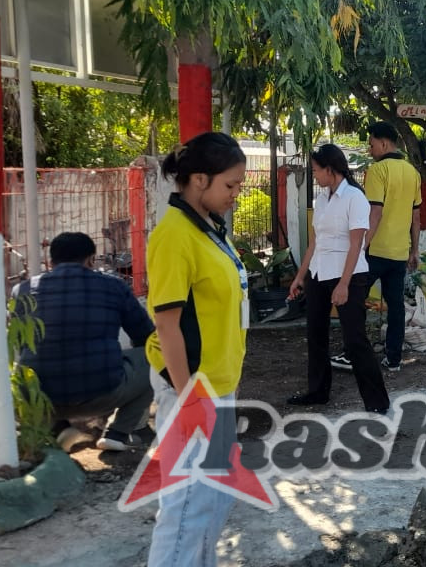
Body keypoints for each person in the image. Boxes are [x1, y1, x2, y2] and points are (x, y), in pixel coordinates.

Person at [144, 132, 249, 567]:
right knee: (187, 506)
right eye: (231, 185)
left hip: (219, 384)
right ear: (199, 180)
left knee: (213, 500)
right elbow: (167, 325)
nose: (237, 195)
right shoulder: (175, 235)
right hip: (193, 390)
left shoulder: (207, 229)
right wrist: (189, 400)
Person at [15, 232, 155, 452]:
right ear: (91, 259)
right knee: (155, 354)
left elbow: (21, 344)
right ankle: (118, 433)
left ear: (51, 262)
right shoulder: (114, 287)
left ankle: (58, 429)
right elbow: (145, 336)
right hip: (103, 394)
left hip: (40, 399)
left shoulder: (21, 291)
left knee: (31, 365)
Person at [287, 143, 390, 414]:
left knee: (355, 339)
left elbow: (357, 244)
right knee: (315, 334)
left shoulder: (355, 197)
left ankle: (377, 402)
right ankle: (317, 392)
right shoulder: (321, 199)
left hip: (350, 274)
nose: (315, 175)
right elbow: (314, 242)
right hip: (319, 273)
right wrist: (300, 276)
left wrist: (344, 284)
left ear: (330, 170)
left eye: (317, 170)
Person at [331, 121, 422, 373]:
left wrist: (360, 248)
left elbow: (375, 213)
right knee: (396, 307)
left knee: (352, 301)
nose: (370, 150)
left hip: (374, 251)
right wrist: (414, 251)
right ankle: (394, 359)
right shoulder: (412, 172)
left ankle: (352, 355)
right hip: (399, 252)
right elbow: (416, 217)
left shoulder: (378, 170)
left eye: (371, 145)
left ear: (383, 143)